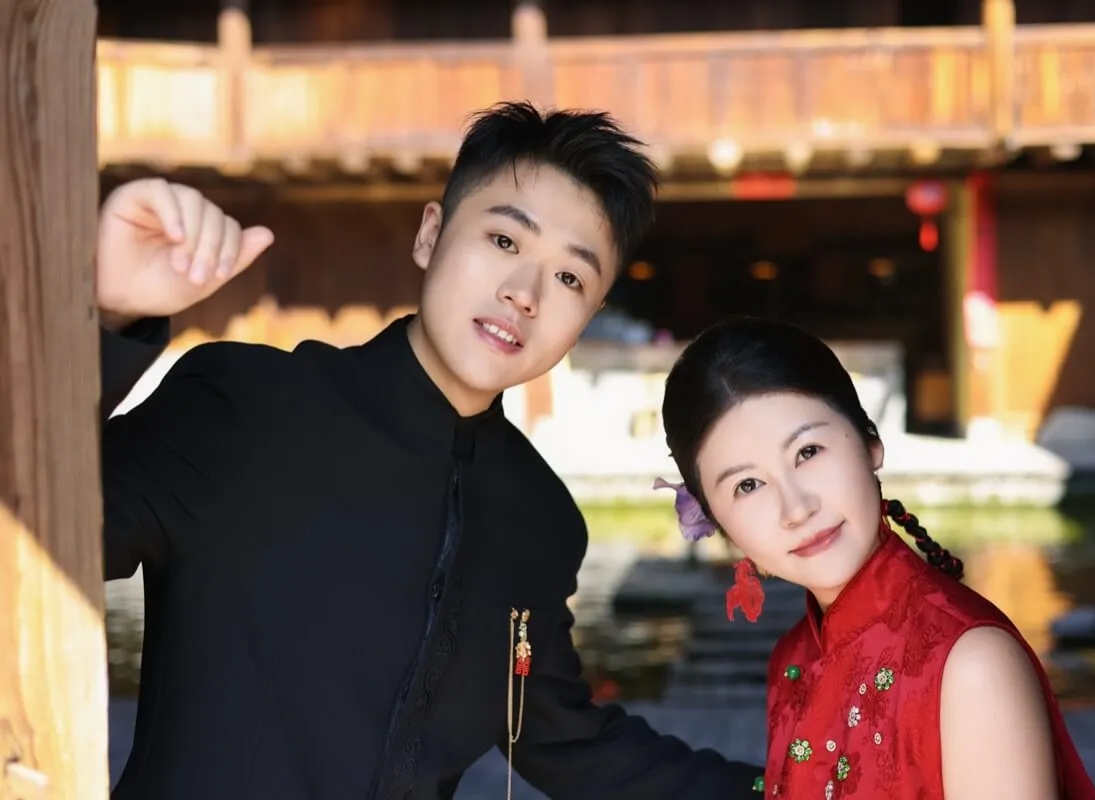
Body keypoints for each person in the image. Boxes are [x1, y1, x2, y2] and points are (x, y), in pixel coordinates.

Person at [98, 102, 763, 799]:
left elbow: (568, 743)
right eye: (504, 240)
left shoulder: (539, 520)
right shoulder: (245, 407)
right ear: (430, 235)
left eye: (570, 278)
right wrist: (109, 320)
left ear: (587, 318)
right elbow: (50, 537)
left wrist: (792, 788)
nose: (524, 294)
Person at [654, 317, 1095, 799]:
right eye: (748, 485)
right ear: (722, 526)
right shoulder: (792, 659)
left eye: (808, 451)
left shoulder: (972, 666)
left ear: (871, 443)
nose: (796, 508)